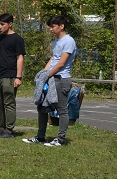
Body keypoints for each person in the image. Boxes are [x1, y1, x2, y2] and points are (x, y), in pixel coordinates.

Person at [23, 15, 77, 146]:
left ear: (61, 26)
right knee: (42, 107)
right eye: (50, 27)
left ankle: (60, 139)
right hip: (51, 78)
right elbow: (53, 59)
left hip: (61, 79)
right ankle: (40, 136)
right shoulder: (56, 41)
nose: (51, 29)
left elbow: (61, 63)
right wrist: (44, 74)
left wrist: (48, 75)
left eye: (53, 26)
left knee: (61, 109)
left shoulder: (68, 41)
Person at [0, 13, 26, 138]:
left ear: (10, 24)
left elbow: (20, 58)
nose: (0, 26)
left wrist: (18, 77)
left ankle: (9, 130)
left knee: (9, 103)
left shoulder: (17, 39)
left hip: (10, 75)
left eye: (2, 24)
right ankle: (1, 127)